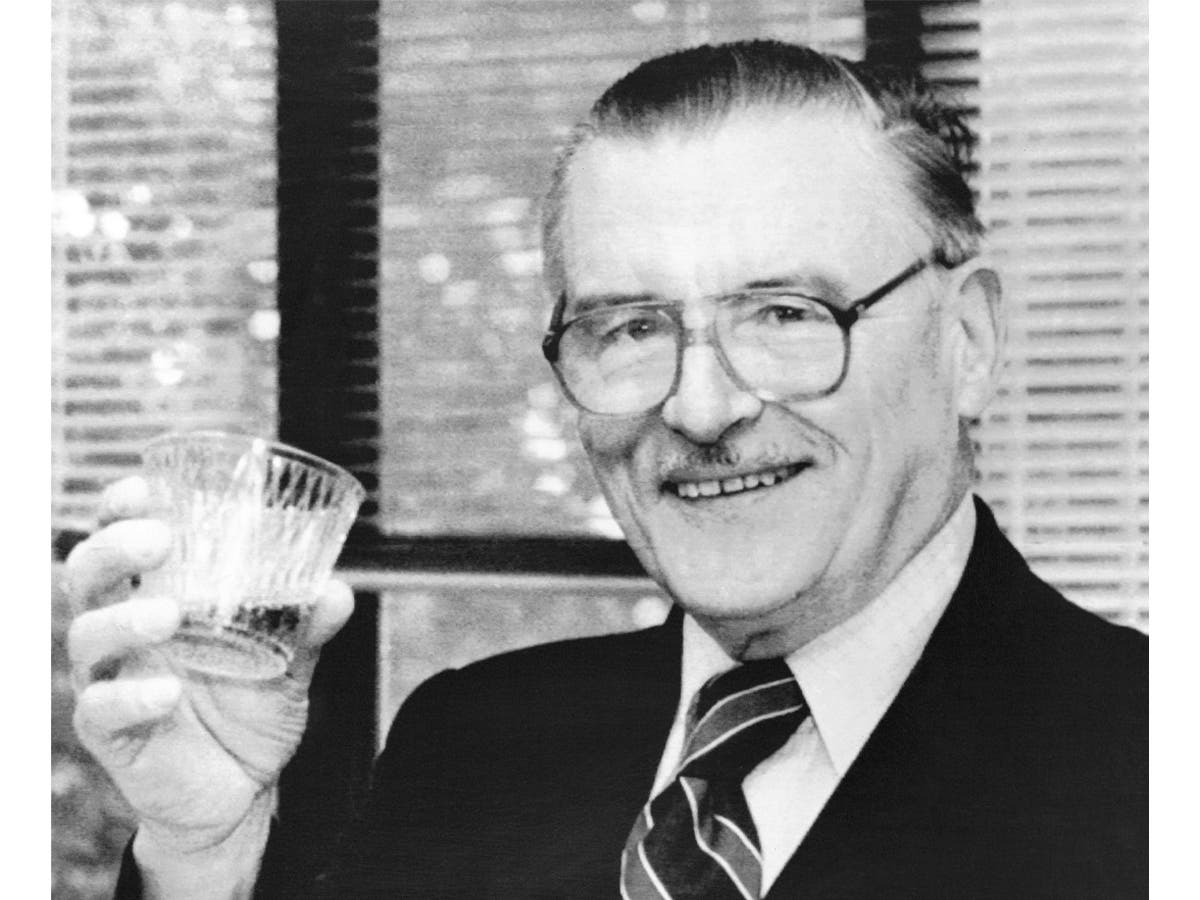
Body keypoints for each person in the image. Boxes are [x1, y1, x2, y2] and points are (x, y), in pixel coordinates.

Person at [67, 40, 1147, 899]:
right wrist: (203, 855)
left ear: (968, 343)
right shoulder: (473, 740)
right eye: (630, 329)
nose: (702, 406)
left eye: (785, 313)